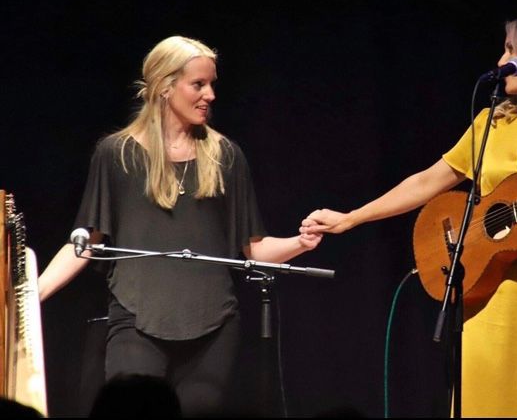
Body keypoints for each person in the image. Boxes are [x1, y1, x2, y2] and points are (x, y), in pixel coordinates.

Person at [303, 11, 517, 417]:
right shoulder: (492, 122)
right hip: (490, 294)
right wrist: (351, 218)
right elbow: (429, 181)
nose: (500, 61)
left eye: (510, 50)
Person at [37, 35, 323, 417]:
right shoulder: (116, 154)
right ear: (165, 87)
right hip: (136, 320)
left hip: (214, 327)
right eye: (198, 84)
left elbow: (253, 250)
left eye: (212, 84)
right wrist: (32, 295)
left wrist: (300, 242)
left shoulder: (226, 156)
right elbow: (85, 244)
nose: (210, 95)